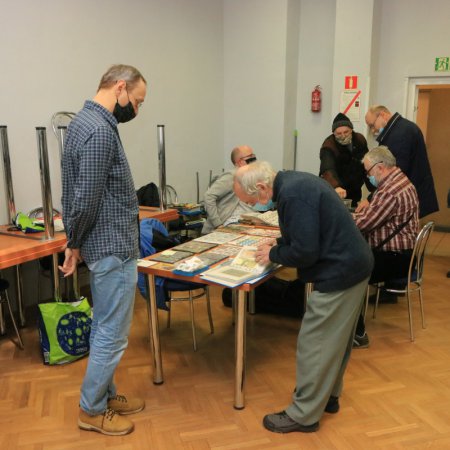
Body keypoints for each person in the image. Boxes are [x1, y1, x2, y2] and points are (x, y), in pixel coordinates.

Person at [233, 161, 373, 434]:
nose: (254, 207)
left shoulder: (293, 195)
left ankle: (304, 414)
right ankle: (328, 397)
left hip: (340, 271)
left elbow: (306, 252)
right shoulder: (292, 182)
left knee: (315, 343)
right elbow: (306, 233)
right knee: (336, 341)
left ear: (262, 187)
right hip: (354, 265)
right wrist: (280, 243)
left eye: (252, 201)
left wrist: (273, 254)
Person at [59, 64, 147, 436]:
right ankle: (91, 409)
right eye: (137, 101)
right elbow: (84, 199)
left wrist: (76, 242)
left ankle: (106, 394)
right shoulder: (99, 131)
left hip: (105, 243)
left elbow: (81, 195)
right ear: (120, 87)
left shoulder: (85, 123)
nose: (137, 110)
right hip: (112, 246)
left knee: (103, 328)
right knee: (112, 332)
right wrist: (73, 243)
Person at [352, 146, 419, 348]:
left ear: (380, 167)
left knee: (349, 273)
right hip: (402, 254)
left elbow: (364, 224)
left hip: (395, 257)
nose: (368, 176)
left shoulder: (389, 191)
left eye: (368, 171)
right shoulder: (400, 180)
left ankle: (357, 333)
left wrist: (343, 218)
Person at [365, 105, 438, 218]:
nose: (373, 130)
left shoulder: (400, 133)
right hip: (410, 193)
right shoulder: (400, 128)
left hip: (408, 196)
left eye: (372, 125)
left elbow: (394, 173)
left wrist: (371, 199)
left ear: (383, 115)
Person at [320, 112, 374, 207]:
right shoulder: (329, 145)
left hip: (355, 189)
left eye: (346, 132)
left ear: (351, 130)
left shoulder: (360, 140)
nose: (343, 136)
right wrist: (336, 187)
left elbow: (367, 163)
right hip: (336, 192)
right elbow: (327, 168)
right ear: (333, 133)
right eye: (339, 133)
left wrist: (374, 188)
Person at [201, 145, 258, 234]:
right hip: (224, 226)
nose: (254, 159)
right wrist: (218, 224)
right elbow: (209, 196)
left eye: (253, 155)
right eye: (250, 157)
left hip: (243, 222)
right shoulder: (231, 177)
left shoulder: (246, 177)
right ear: (239, 162)